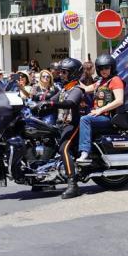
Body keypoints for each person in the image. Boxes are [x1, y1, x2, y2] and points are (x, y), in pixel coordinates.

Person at [33, 58, 87, 199]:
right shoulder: (64, 89)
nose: (61, 74)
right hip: (61, 125)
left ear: (73, 73)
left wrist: (51, 104)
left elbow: (70, 103)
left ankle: (73, 185)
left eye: (64, 72)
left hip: (73, 125)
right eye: (60, 72)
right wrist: (35, 106)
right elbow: (52, 100)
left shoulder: (77, 89)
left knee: (64, 149)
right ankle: (40, 179)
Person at [75, 54, 125, 166]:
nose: (104, 70)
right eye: (101, 68)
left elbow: (119, 100)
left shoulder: (115, 80)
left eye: (106, 67)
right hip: (99, 116)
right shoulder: (100, 82)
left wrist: (100, 110)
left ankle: (85, 153)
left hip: (108, 117)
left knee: (85, 119)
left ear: (112, 67)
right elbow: (85, 89)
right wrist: (74, 79)